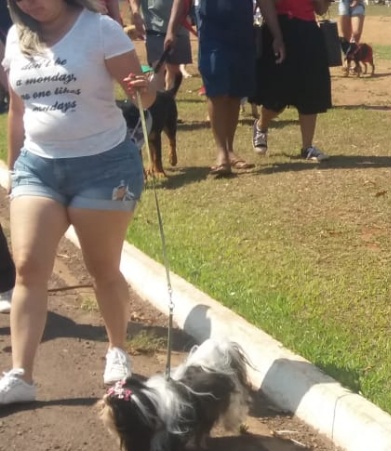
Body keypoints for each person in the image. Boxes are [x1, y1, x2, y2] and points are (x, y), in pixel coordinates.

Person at [0, 0, 164, 405]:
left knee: (102, 267)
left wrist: (148, 86)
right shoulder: (16, 37)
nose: (31, 2)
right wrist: (12, 168)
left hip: (103, 167)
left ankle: (117, 350)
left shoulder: (101, 30)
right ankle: (21, 374)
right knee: (27, 267)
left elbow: (143, 95)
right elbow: (18, 111)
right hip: (38, 167)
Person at [164, 0, 286, 177]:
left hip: (242, 31)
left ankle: (229, 150)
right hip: (212, 32)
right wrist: (170, 30)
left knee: (235, 91)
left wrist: (277, 36)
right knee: (216, 88)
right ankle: (221, 153)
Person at [251, 0, 332, 162]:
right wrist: (277, 36)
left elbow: (321, 9)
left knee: (310, 91)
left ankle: (307, 146)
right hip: (279, 28)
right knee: (278, 95)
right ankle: (261, 125)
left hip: (308, 30)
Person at [128, 0, 192, 91]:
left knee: (174, 69)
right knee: (158, 68)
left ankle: (169, 98)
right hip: (154, 27)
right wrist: (136, 14)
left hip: (179, 27)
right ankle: (157, 102)